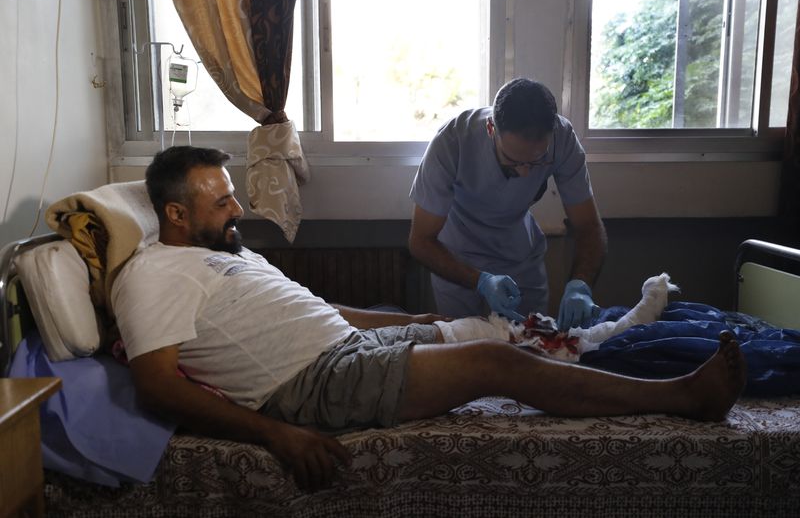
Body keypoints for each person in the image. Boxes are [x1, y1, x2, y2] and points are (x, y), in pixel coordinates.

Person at [112, 145, 746, 492]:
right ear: (174, 214)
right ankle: (684, 397)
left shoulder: (228, 253)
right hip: (311, 384)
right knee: (499, 363)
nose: (237, 208)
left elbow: (319, 311)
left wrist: (406, 320)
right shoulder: (152, 276)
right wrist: (274, 435)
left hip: (346, 345)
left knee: (507, 330)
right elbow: (157, 382)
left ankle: (624, 353)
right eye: (222, 200)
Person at [409, 78, 607, 330]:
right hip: (456, 254)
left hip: (519, 253)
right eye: (513, 161)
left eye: (537, 162)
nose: (525, 173)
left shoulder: (563, 138)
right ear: (491, 128)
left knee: (532, 344)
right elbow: (420, 241)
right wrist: (481, 281)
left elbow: (588, 225)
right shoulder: (452, 142)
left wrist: (580, 286)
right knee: (462, 349)